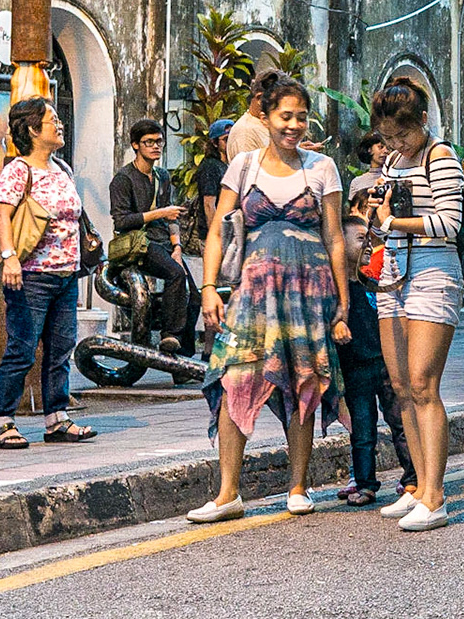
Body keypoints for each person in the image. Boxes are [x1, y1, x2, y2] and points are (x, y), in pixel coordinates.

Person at [192, 77, 350, 522]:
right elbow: (217, 232)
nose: (295, 125)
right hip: (254, 292)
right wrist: (208, 288)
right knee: (233, 378)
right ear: (265, 116)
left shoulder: (322, 168)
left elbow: (334, 238)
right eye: (286, 116)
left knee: (302, 380)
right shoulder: (243, 165)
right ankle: (227, 494)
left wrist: (342, 302)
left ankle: (298, 486)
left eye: (302, 116)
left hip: (308, 292)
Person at [365, 76, 464, 532]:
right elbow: (384, 220)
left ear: (423, 121)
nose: (395, 144)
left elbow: (450, 222)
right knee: (401, 384)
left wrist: (394, 220)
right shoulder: (392, 163)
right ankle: (419, 488)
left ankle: (437, 497)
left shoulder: (440, 157)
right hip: (392, 274)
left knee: (425, 383)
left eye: (402, 135)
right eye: (387, 137)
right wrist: (375, 215)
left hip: (432, 271)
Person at [0, 99, 96, 449]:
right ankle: (3, 422)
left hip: (66, 275)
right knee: (22, 348)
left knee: (61, 348)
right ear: (33, 129)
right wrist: (9, 258)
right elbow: (1, 214)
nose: (60, 124)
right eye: (53, 119)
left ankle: (56, 419)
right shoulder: (20, 170)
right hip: (31, 275)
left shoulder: (61, 167)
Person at [337, 175, 415, 507]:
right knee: (362, 430)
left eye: (369, 238)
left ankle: (413, 477)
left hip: (386, 363)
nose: (367, 245)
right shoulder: (339, 294)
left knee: (400, 420)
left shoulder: (375, 280)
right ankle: (365, 482)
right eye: (358, 239)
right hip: (355, 368)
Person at [109, 118, 199, 356]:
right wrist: (160, 212)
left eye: (159, 141)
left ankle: (183, 359)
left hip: (165, 242)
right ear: (135, 145)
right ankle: (169, 334)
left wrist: (177, 246)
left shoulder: (162, 176)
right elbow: (122, 221)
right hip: (140, 243)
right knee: (175, 274)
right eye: (148, 142)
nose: (155, 146)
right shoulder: (124, 178)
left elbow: (172, 217)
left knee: (195, 298)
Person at [183, 118, 234, 259]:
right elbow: (209, 204)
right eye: (226, 139)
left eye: (233, 138)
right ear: (215, 143)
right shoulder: (210, 166)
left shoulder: (229, 165)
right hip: (214, 234)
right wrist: (215, 236)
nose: (230, 142)